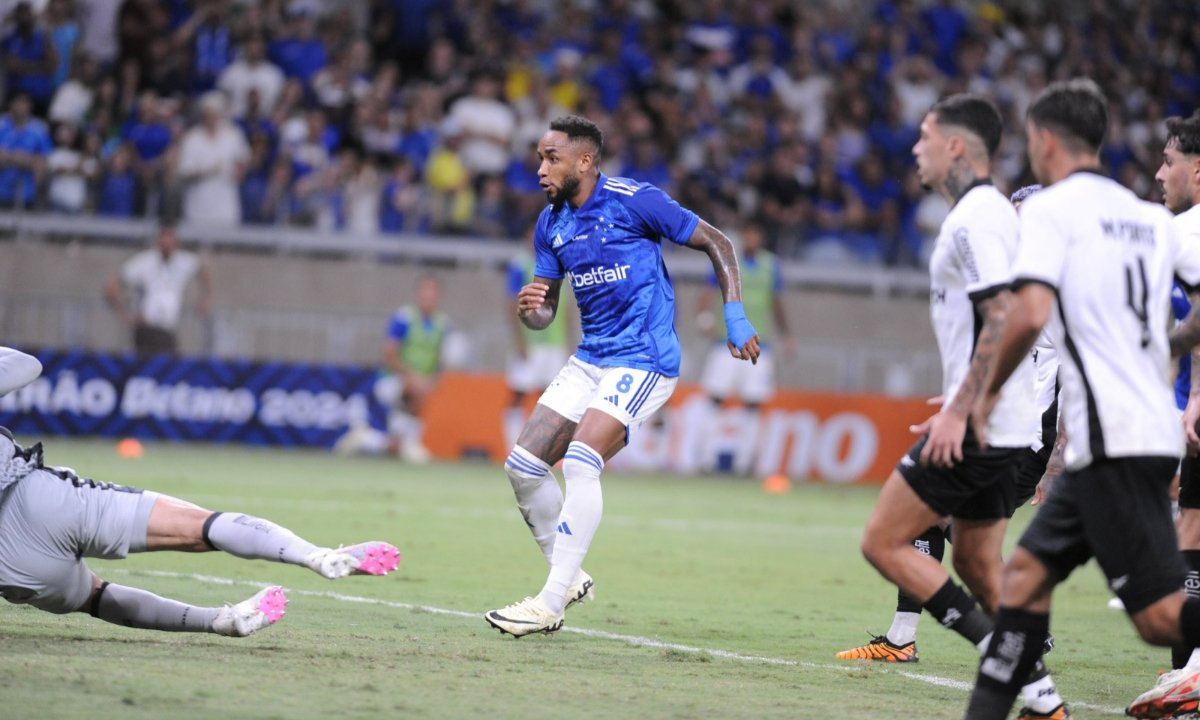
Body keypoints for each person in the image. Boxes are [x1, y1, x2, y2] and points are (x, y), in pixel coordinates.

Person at [962, 79, 1200, 720]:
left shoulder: (1049, 212)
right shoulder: (1150, 219)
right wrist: (1170, 348)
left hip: (1115, 438)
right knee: (1022, 584)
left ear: (1044, 140)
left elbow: (1028, 311)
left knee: (1159, 619)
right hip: (1137, 433)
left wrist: (978, 398)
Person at [484, 115, 760, 636]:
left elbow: (718, 243)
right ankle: (568, 576)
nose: (540, 169)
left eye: (551, 158)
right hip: (591, 359)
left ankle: (548, 603)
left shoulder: (635, 200)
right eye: (540, 158)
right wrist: (532, 311)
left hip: (645, 357)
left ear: (584, 161)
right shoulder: (551, 224)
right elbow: (546, 308)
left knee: (583, 461)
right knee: (522, 467)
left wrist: (735, 314)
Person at [857, 95, 1067, 720]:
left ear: (955, 146)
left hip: (982, 428)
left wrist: (962, 407)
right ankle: (1045, 702)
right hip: (1006, 427)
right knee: (977, 560)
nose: (914, 148)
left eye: (924, 136)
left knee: (883, 541)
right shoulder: (991, 213)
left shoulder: (975, 218)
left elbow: (1007, 316)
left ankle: (999, 656)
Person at [0, 346, 400, 638]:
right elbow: (26, 365)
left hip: (14, 565)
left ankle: (221, 621)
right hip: (38, 501)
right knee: (200, 528)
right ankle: (317, 556)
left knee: (97, 599)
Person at [836, 184, 1060, 666]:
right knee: (945, 524)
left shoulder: (1051, 294)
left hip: (1022, 439)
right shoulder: (1019, 286)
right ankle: (915, 638)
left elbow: (1064, 377)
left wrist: (1055, 454)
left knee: (935, 522)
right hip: (997, 427)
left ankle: (1016, 631)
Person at [1123, 110, 1200, 715]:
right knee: (1191, 524)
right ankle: (1187, 674)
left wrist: (1196, 396)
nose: (1159, 173)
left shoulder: (1188, 232)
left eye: (1169, 161)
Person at [691, 219, 791, 474]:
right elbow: (706, 295)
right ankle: (707, 460)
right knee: (715, 400)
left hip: (759, 347)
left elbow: (776, 302)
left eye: (755, 234)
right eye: (747, 234)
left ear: (760, 237)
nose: (751, 239)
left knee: (753, 404)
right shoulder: (725, 258)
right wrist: (704, 319)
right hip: (725, 345)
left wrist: (787, 335)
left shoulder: (771, 265)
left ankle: (746, 463)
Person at [334, 275, 448, 463]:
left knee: (395, 447)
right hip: (390, 381)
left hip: (417, 385)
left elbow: (438, 361)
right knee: (416, 390)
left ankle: (365, 439)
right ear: (418, 294)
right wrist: (412, 377)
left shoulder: (443, 324)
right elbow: (389, 356)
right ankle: (412, 444)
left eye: (433, 292)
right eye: (425, 292)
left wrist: (432, 380)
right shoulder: (404, 318)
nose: (429, 296)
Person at [104, 224, 211, 358]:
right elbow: (111, 286)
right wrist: (124, 314)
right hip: (147, 328)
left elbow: (202, 270)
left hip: (168, 329)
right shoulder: (144, 262)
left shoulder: (182, 261)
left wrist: (205, 299)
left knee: (168, 369)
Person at [503, 247, 573, 449]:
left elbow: (566, 304)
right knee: (518, 394)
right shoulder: (521, 264)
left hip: (555, 345)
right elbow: (511, 302)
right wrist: (519, 341)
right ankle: (512, 446)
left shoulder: (563, 263)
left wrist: (569, 341)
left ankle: (538, 449)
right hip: (530, 342)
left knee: (550, 398)